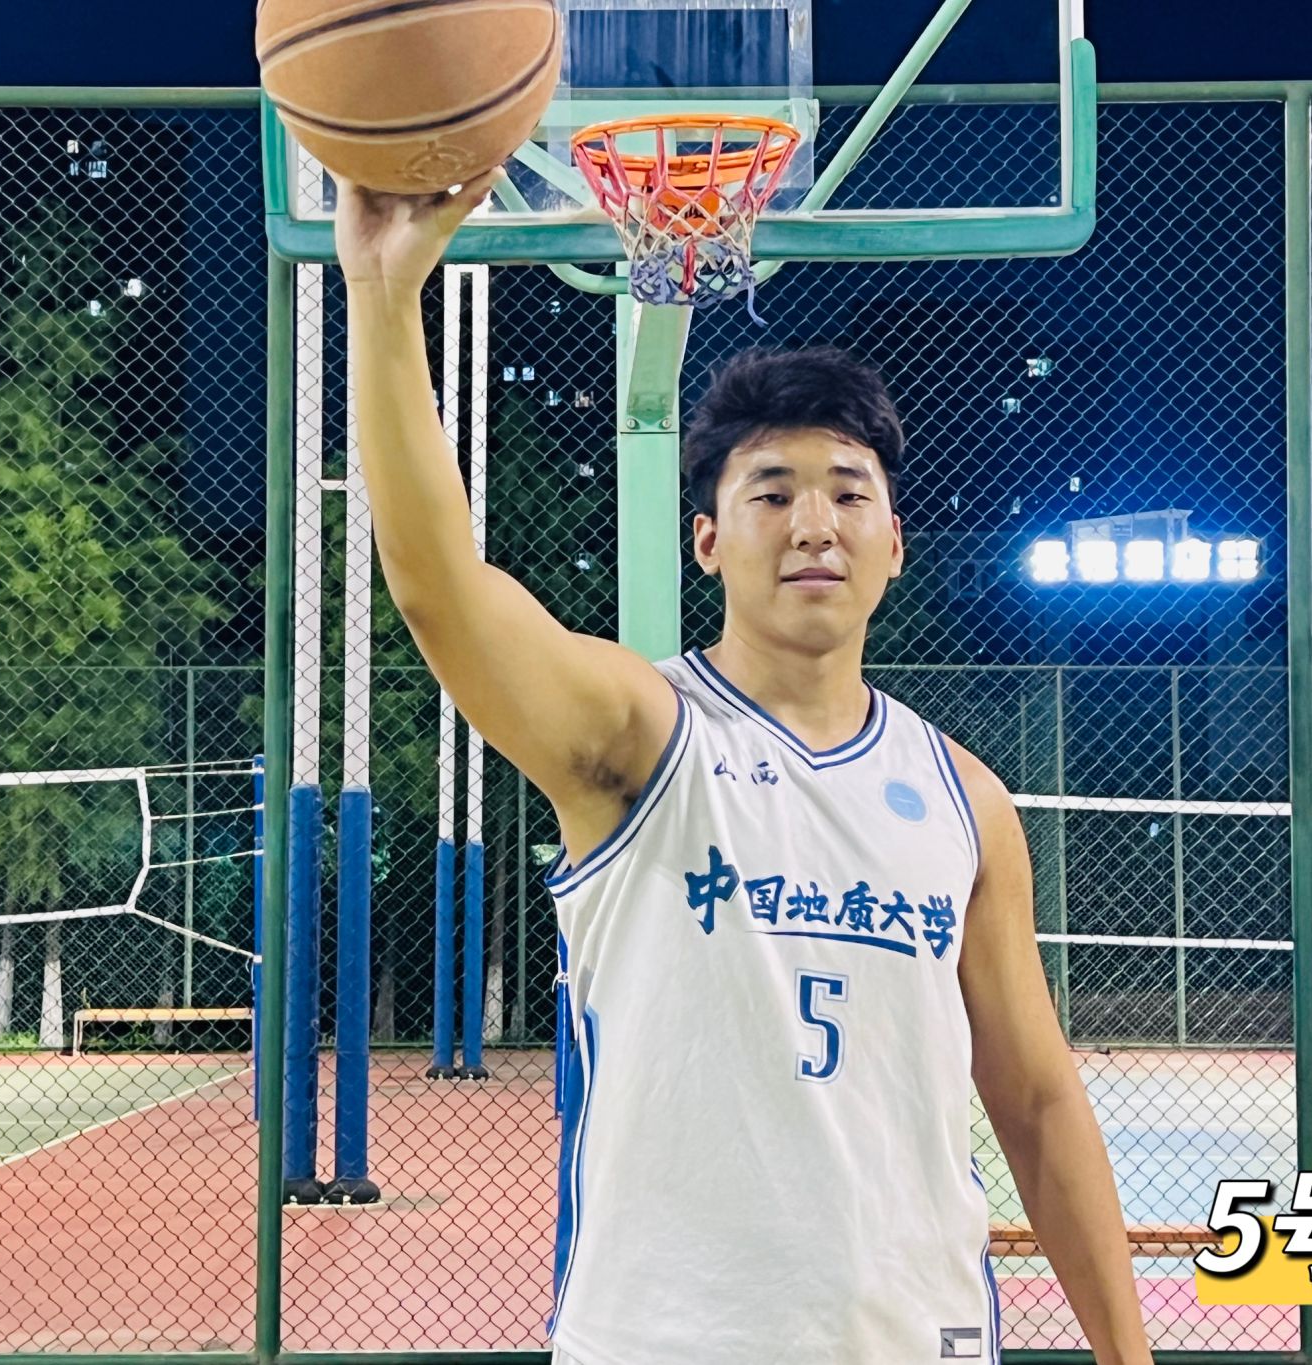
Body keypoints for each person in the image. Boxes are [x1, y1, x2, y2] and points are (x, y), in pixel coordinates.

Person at [335, 174, 1154, 1365]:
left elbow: (1033, 1100)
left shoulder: (964, 798)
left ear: (892, 543)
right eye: (771, 494)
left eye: (847, 494)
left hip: (916, 1340)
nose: (813, 524)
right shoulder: (641, 735)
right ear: (708, 542)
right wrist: (382, 291)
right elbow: (439, 590)